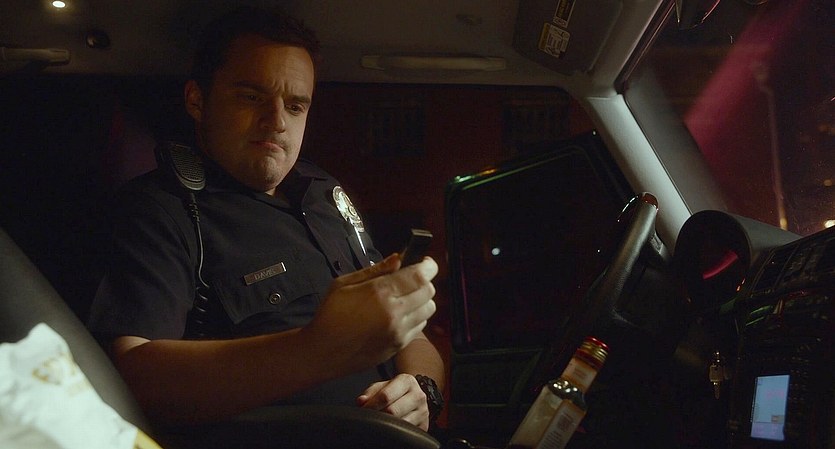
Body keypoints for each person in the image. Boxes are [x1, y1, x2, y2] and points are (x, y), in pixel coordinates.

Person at [86, 6, 444, 432]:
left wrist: (422, 390)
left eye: (295, 106)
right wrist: (316, 348)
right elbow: (134, 375)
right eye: (252, 97)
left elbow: (413, 335)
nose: (277, 122)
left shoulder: (325, 191)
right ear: (197, 100)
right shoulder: (163, 209)